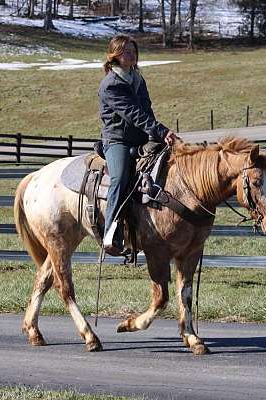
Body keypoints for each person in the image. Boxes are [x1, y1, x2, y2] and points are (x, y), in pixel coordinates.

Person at [98, 34, 178, 256]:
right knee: (120, 177)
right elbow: (133, 114)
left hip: (142, 138)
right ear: (115, 55)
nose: (131, 54)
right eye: (126, 51)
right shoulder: (111, 84)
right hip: (118, 140)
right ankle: (111, 231)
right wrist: (161, 130)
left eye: (133, 51)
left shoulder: (138, 79)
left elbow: (146, 110)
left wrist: (160, 135)